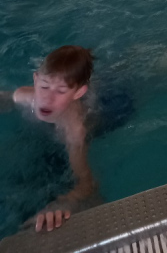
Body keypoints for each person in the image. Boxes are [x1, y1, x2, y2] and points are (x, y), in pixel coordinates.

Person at [0, 46, 97, 232]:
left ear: (78, 93)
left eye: (61, 91)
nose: (47, 98)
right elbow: (6, 100)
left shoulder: (74, 130)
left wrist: (61, 205)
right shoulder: (24, 96)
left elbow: (86, 184)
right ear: (35, 80)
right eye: (44, 86)